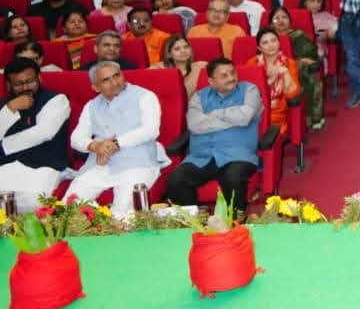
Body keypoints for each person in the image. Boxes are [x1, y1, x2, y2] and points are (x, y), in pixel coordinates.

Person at [67, 61, 168, 218]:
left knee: (122, 214)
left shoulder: (145, 96)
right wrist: (95, 146)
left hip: (137, 163)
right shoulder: (92, 105)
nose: (115, 82)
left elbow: (150, 130)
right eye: (106, 80)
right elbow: (76, 138)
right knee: (69, 207)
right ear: (96, 87)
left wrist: (115, 144)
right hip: (100, 164)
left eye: (117, 75)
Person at [165, 58, 263, 215]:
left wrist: (213, 115)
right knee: (176, 179)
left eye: (233, 72)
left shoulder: (249, 90)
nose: (231, 78)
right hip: (202, 157)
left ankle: (235, 224)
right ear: (211, 81)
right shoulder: (199, 97)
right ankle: (192, 222)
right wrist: (232, 119)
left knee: (232, 178)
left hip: (237, 155)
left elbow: (245, 116)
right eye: (224, 75)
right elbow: (194, 125)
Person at [0, 57, 72, 213]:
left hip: (44, 164)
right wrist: (10, 109)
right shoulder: (5, 105)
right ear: (8, 85)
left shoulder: (57, 100)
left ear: (39, 78)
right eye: (18, 84)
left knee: (34, 200)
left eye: (30, 81)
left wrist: (3, 146)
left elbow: (42, 133)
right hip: (7, 165)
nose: (25, 87)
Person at [246, 29, 300, 129]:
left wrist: (285, 73)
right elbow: (249, 93)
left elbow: (292, 94)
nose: (271, 45)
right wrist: (271, 80)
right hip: (255, 111)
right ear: (259, 48)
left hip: (278, 112)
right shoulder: (252, 64)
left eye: (273, 40)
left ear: (279, 43)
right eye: (265, 42)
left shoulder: (289, 63)